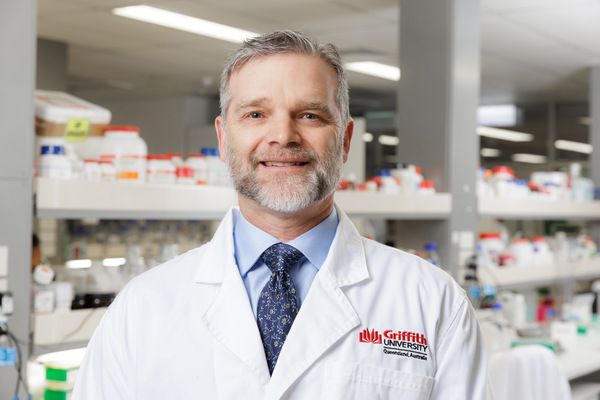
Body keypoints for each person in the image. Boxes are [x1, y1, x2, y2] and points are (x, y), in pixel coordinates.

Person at [73, 30, 493, 399]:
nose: (282, 136)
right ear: (223, 138)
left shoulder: (432, 302)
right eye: (256, 114)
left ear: (345, 140)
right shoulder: (143, 306)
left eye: (310, 115)